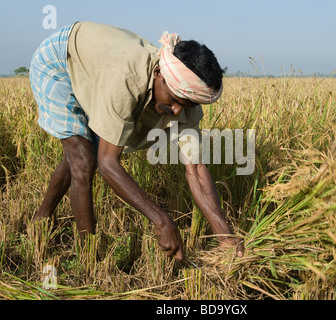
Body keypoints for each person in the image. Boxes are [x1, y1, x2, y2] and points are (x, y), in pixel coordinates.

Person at [29, 21, 244, 261]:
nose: (176, 111)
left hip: (98, 70)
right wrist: (161, 221)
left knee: (82, 152)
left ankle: (40, 220)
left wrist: (226, 237)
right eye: (173, 99)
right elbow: (108, 164)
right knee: (83, 159)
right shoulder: (126, 79)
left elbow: (195, 169)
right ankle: (89, 258)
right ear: (159, 74)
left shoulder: (187, 103)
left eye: (185, 105)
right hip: (61, 61)